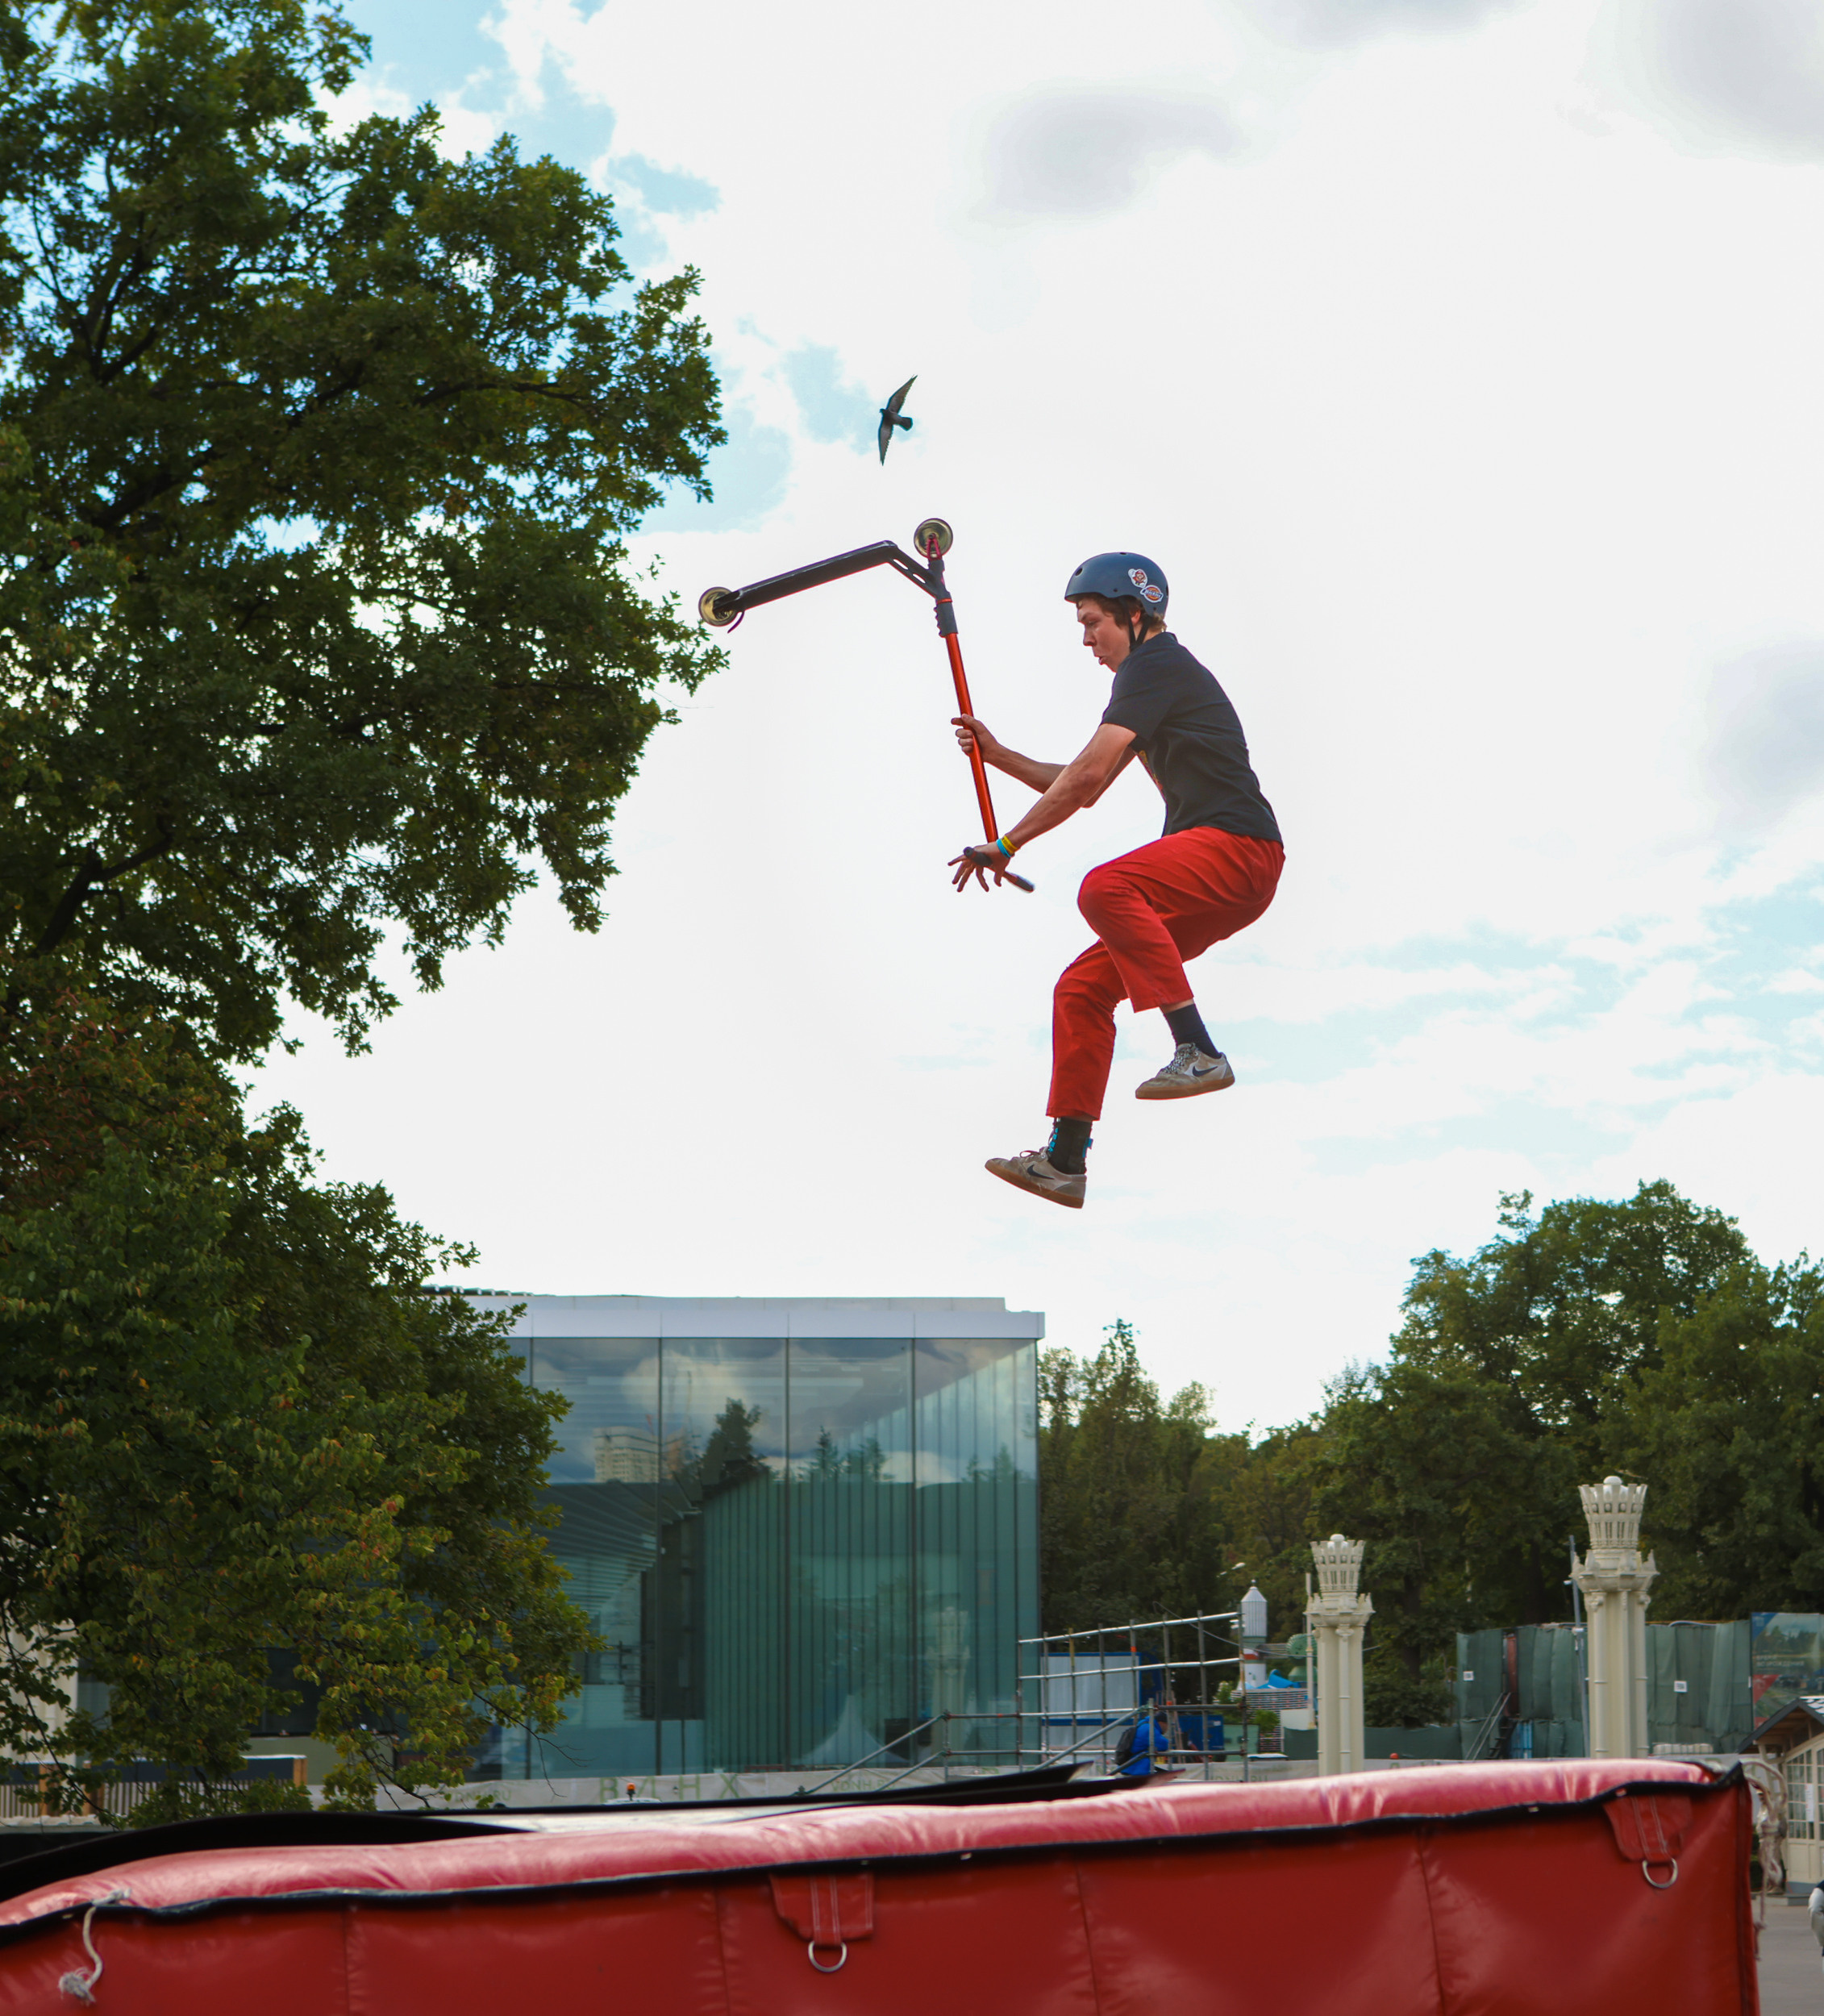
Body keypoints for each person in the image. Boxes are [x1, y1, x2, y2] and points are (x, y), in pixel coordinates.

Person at [949, 552, 1283, 1210]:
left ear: (1136, 615)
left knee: (1107, 888)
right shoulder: (1152, 685)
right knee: (1081, 987)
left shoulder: (1157, 667)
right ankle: (1065, 1159)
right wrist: (999, 755)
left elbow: (1087, 779)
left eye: (1093, 621)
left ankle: (1197, 1049)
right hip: (1218, 873)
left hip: (1240, 850)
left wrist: (1008, 842)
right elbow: (1080, 780)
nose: (1086, 639)